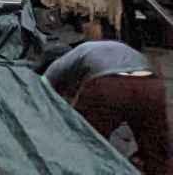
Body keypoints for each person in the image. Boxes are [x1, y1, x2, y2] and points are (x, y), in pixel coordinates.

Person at [45, 38, 172, 173]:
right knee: (156, 148)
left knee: (85, 139)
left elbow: (42, 85)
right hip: (151, 85)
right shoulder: (112, 48)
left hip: (111, 84)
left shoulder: (70, 57)